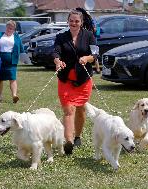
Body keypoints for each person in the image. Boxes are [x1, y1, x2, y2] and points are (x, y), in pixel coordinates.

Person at [53, 9, 97, 154]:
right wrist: (58, 61)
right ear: (68, 22)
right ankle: (69, 141)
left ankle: (77, 136)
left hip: (83, 80)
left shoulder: (89, 35)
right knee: (68, 109)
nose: (74, 23)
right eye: (71, 21)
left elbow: (95, 54)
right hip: (65, 79)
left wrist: (87, 58)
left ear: (81, 22)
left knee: (80, 109)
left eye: (77, 21)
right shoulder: (61, 37)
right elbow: (56, 52)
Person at [0, 20, 24, 103]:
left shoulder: (16, 36)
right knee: (0, 79)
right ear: (6, 27)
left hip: (12, 60)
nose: (9, 30)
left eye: (11, 28)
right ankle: (0, 96)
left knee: (12, 78)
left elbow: (21, 48)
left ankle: (14, 95)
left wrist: (24, 58)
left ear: (14, 29)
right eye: (8, 28)